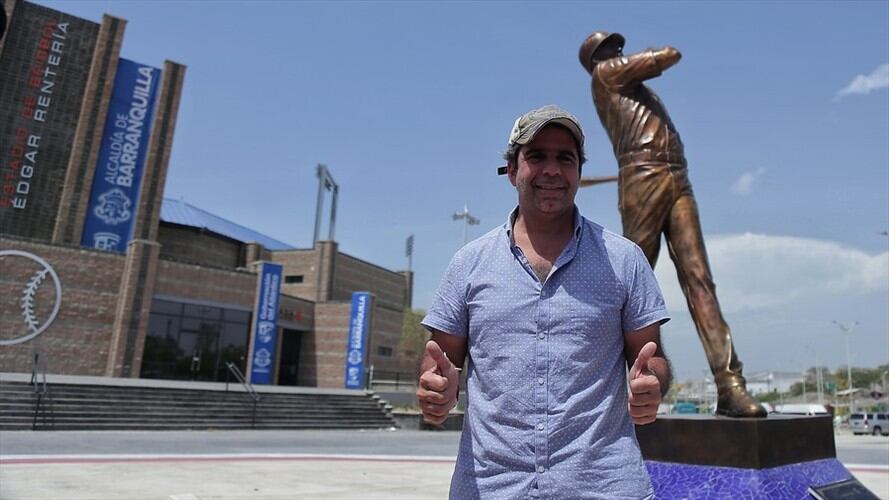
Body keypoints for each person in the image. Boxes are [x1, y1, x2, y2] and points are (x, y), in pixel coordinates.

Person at [416, 105, 671, 499]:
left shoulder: (624, 261)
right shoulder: (468, 264)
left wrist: (653, 382)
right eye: (536, 156)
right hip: (492, 487)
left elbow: (650, 357)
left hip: (602, 486)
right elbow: (439, 361)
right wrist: (435, 389)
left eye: (564, 158)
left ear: (578, 174)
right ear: (513, 171)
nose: (552, 169)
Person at [578, 32, 766, 418]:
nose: (618, 52)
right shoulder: (606, 75)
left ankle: (730, 385)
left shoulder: (637, 93)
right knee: (633, 284)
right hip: (643, 177)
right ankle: (617, 384)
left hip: (676, 176)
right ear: (598, 57)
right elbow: (669, 55)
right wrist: (652, 56)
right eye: (610, 49)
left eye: (617, 48)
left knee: (700, 280)